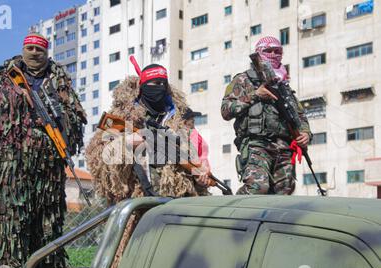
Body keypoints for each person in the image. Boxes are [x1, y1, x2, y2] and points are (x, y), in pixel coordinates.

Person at [0, 33, 87, 268]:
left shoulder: (59, 82)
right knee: (8, 239)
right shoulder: (2, 80)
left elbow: (77, 123)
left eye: (40, 49)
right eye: (30, 48)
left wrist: (57, 115)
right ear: (23, 49)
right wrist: (14, 98)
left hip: (48, 178)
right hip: (11, 177)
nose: (34, 53)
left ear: (47, 52)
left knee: (47, 238)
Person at [86, 61, 209, 204]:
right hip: (135, 205)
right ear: (142, 87)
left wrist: (201, 178)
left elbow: (193, 162)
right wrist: (127, 143)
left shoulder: (177, 120)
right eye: (155, 83)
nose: (160, 88)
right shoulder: (123, 117)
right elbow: (98, 161)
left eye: (164, 84)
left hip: (174, 207)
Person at [221, 36, 312, 195]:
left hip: (284, 147)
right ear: (259, 53)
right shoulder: (243, 80)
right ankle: (234, 211)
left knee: (284, 193)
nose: (273, 54)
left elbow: (300, 116)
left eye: (277, 51)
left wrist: (306, 133)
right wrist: (255, 95)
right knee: (257, 188)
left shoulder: (284, 86)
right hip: (257, 144)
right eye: (268, 51)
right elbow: (226, 111)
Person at [182, 108, 211, 174]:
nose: (194, 121)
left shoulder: (193, 135)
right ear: (184, 122)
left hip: (200, 172)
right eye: (192, 120)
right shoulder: (191, 135)